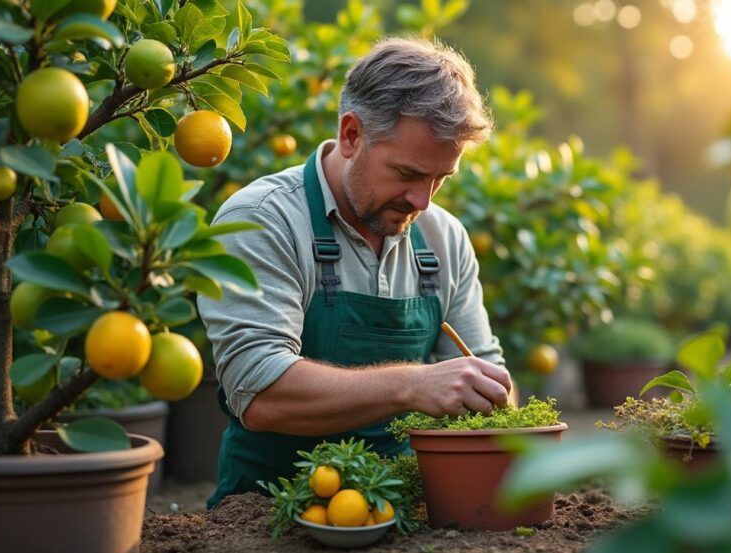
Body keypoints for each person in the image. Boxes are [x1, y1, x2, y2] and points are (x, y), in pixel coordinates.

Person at [198, 37, 516, 508]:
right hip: (270, 513)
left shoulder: (443, 237)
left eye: (440, 180)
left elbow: (488, 375)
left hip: (406, 509)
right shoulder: (262, 219)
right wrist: (414, 384)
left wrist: (496, 400)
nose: (422, 201)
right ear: (351, 135)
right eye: (407, 174)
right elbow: (261, 391)